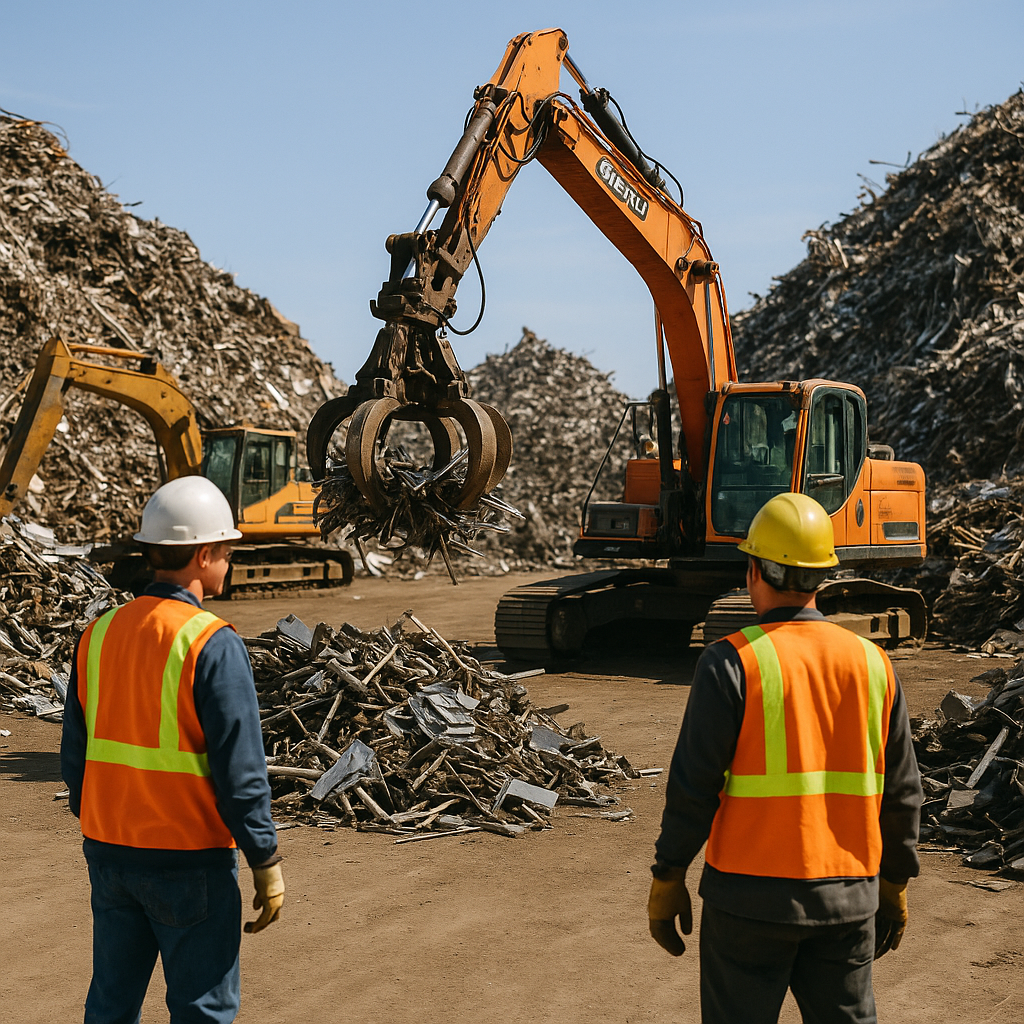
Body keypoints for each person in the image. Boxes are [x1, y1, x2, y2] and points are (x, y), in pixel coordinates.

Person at [648, 492, 923, 1024]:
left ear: (753, 569)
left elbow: (692, 786)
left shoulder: (731, 662)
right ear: (824, 576)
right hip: (848, 900)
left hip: (746, 905)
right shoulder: (873, 664)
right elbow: (903, 792)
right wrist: (894, 882)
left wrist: (668, 874)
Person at [60, 476, 284, 1023]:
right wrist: (265, 859)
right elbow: (241, 771)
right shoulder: (212, 641)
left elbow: (75, 754)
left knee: (111, 1004)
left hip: (109, 852)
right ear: (204, 555)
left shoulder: (100, 632)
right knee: (201, 1010)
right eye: (226, 551)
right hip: (189, 861)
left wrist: (103, 817)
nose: (228, 563)